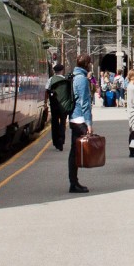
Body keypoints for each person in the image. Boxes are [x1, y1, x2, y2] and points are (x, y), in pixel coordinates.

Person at [68, 53, 95, 194]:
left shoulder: (74, 76)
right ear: (86, 64)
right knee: (76, 152)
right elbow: (85, 103)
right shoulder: (82, 79)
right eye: (90, 63)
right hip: (80, 119)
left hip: (74, 118)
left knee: (74, 151)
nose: (91, 65)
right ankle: (74, 184)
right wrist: (89, 123)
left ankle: (74, 182)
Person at [47, 63, 71, 151]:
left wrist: (47, 102)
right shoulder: (66, 80)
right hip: (64, 106)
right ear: (62, 71)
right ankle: (61, 140)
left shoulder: (50, 80)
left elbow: (47, 90)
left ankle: (56, 142)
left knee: (54, 123)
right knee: (63, 123)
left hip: (54, 106)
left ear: (55, 71)